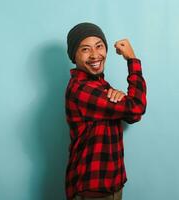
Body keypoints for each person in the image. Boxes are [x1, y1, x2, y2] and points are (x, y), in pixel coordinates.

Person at [64, 22, 147, 200]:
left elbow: (134, 115)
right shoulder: (82, 89)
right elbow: (137, 107)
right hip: (93, 189)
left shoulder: (99, 84)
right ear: (74, 56)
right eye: (85, 49)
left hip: (112, 183)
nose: (95, 55)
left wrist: (120, 96)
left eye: (99, 46)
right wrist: (132, 59)